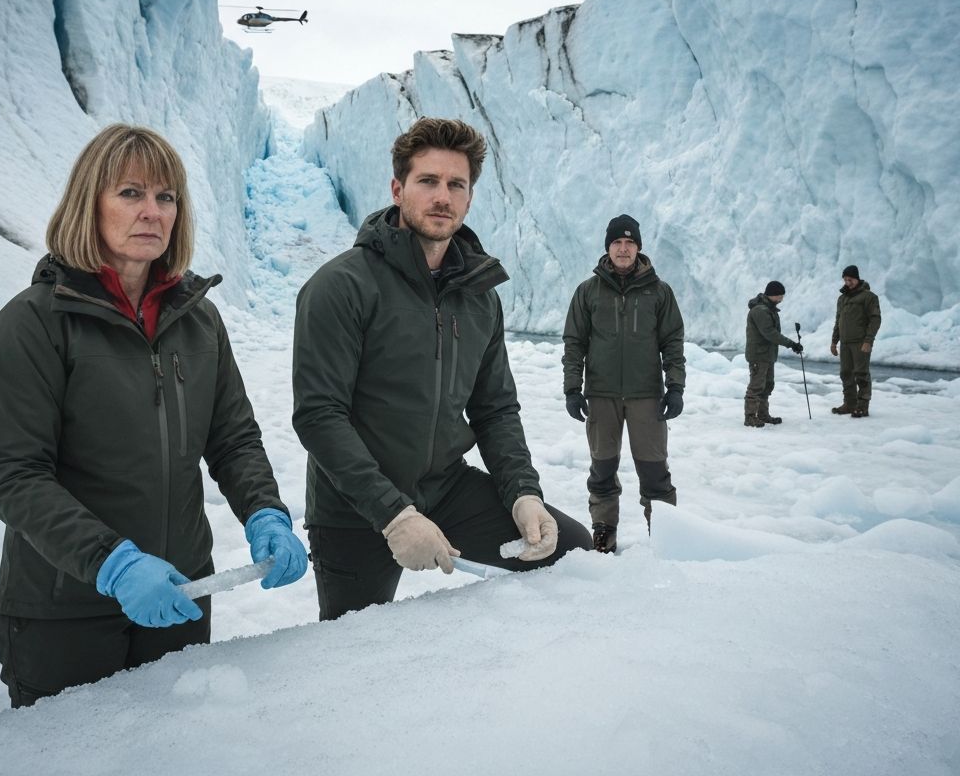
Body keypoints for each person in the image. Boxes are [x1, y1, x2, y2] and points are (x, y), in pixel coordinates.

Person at [0, 124, 307, 707]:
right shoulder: (33, 325)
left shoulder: (198, 322)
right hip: (65, 612)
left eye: (166, 196)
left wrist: (265, 513)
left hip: (181, 596)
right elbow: (14, 475)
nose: (152, 211)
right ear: (90, 203)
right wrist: (114, 563)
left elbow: (232, 439)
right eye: (130, 193)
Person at [292, 117, 592, 620]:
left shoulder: (478, 296)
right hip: (354, 506)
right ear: (398, 190)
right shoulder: (341, 286)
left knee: (570, 555)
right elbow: (319, 416)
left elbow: (495, 409)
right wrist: (394, 515)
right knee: (356, 646)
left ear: (470, 198)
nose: (442, 197)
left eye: (457, 185)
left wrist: (523, 492)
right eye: (428, 181)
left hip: (445, 488)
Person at [562, 214, 685, 553]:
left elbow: (672, 343)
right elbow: (574, 343)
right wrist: (572, 389)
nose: (623, 248)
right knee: (602, 469)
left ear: (638, 248)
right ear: (608, 247)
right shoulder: (588, 291)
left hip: (647, 396)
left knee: (655, 472)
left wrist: (675, 387)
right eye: (617, 242)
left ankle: (664, 534)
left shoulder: (659, 292)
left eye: (630, 242)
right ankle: (604, 531)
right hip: (601, 395)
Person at [743, 280, 803, 427]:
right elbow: (770, 333)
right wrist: (791, 344)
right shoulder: (760, 311)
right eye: (780, 296)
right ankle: (750, 417)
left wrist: (791, 344)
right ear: (772, 294)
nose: (781, 299)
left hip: (767, 354)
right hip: (759, 355)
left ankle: (763, 415)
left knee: (767, 385)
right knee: (756, 386)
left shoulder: (769, 309)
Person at [830, 264, 881, 417]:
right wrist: (834, 342)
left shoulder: (869, 297)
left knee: (861, 373)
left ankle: (863, 406)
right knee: (846, 373)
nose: (848, 282)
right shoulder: (842, 298)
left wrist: (868, 341)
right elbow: (838, 321)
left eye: (850, 279)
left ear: (857, 278)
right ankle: (850, 404)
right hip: (845, 343)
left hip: (860, 342)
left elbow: (875, 320)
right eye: (845, 280)